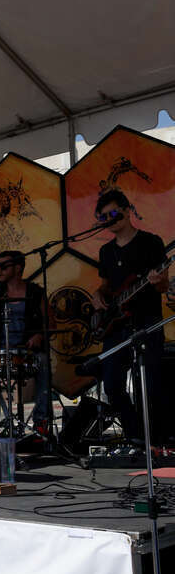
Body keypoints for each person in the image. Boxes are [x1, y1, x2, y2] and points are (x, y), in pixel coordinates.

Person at [90, 189, 169, 443]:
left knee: (151, 385)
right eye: (103, 217)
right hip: (115, 326)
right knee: (112, 384)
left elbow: (163, 285)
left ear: (126, 210)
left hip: (147, 323)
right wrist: (98, 295)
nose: (109, 220)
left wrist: (156, 281)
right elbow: (105, 285)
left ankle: (156, 442)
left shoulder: (151, 242)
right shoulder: (106, 251)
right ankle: (136, 437)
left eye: (113, 213)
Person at [0, 250, 51, 435]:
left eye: (4, 266)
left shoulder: (35, 292)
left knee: (44, 363)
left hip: (29, 352)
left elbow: (50, 323)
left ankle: (41, 422)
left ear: (18, 268)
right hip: (1, 351)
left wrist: (39, 335)